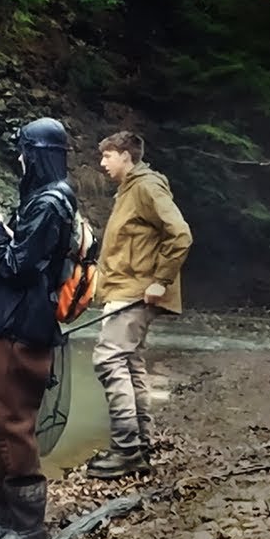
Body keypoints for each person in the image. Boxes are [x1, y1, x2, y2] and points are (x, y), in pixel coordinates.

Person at [0, 117, 77, 539]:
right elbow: (15, 256)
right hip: (7, 325)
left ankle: (27, 528)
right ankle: (4, 521)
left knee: (13, 425)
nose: (19, 160)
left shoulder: (51, 203)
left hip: (23, 330)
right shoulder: (42, 202)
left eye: (24, 152)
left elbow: (16, 268)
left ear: (37, 155)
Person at [85, 131, 192, 480]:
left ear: (126, 156)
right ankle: (139, 445)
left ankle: (127, 450)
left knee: (109, 358)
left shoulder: (146, 187)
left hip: (136, 292)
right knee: (129, 363)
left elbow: (181, 234)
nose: (102, 163)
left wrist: (160, 280)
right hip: (125, 289)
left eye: (107, 156)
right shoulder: (129, 190)